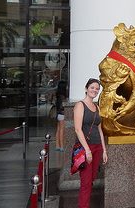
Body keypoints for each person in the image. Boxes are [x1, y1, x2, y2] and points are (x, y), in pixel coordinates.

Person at [74, 78, 107, 208]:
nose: (95, 90)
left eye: (97, 89)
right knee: (86, 182)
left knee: (92, 178)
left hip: (97, 147)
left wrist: (104, 150)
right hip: (85, 148)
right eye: (92, 87)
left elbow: (100, 130)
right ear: (87, 88)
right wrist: (87, 150)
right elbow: (77, 129)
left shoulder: (97, 107)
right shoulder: (79, 105)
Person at [54, 80, 67, 152]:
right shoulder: (63, 97)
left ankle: (57, 145)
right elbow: (63, 107)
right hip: (62, 114)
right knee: (62, 129)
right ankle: (62, 146)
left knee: (58, 129)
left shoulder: (58, 95)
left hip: (58, 114)